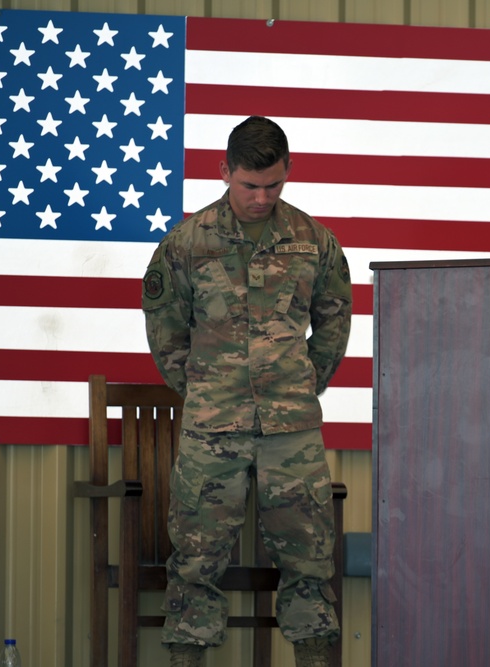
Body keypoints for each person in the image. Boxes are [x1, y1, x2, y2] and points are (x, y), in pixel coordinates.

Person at [142, 115, 353, 667]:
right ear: (225, 172)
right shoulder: (187, 243)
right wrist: (205, 390)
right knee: (195, 557)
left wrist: (303, 382)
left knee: (310, 557)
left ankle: (312, 656)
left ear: (287, 175)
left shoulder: (314, 241)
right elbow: (165, 329)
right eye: (249, 185)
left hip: (292, 430)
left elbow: (334, 321)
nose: (261, 198)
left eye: (273, 185)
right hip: (213, 428)